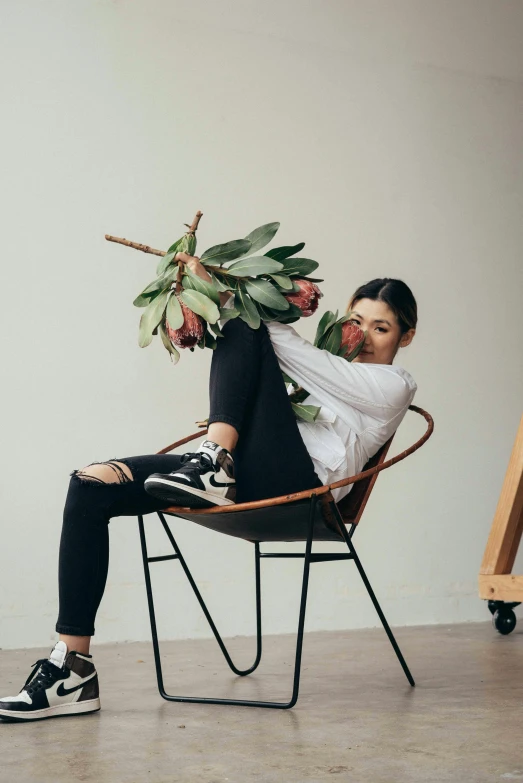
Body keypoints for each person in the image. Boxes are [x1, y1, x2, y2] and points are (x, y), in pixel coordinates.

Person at [0, 254, 417, 722]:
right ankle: (72, 669)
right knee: (90, 485)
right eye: (356, 319)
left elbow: (294, 353)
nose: (362, 335)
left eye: (381, 328)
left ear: (406, 337)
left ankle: (214, 461)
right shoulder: (324, 375)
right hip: (246, 473)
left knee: (244, 320)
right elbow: (280, 369)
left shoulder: (393, 385)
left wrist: (222, 297)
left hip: (301, 489)